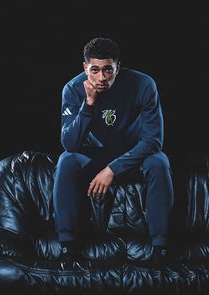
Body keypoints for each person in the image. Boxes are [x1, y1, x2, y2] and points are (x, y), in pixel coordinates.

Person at [53, 37, 174, 265]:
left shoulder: (144, 84)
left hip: (133, 155)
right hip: (95, 156)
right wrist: (88, 104)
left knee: (159, 161)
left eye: (108, 69)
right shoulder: (72, 89)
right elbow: (70, 143)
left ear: (118, 67)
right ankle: (68, 249)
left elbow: (153, 141)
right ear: (85, 67)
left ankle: (161, 248)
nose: (102, 77)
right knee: (67, 160)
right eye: (95, 70)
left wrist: (112, 170)